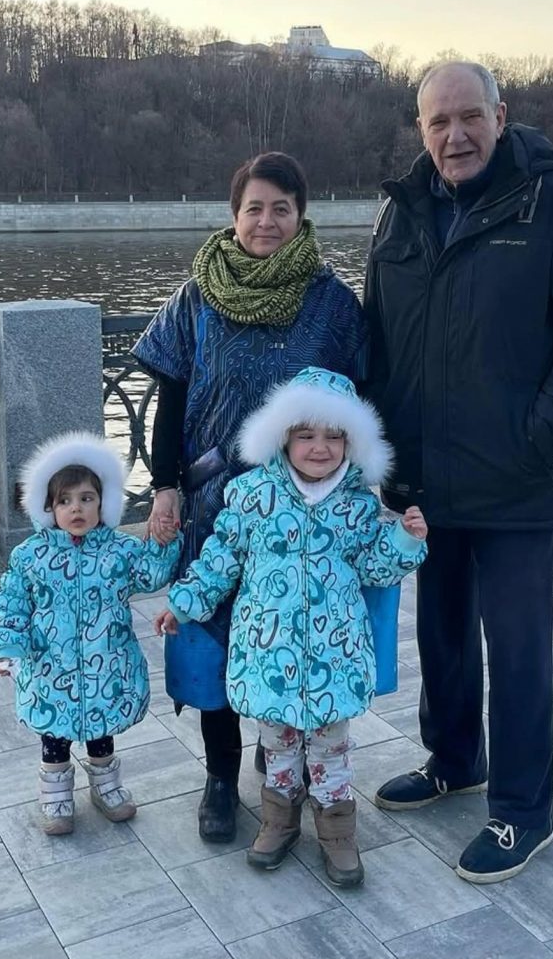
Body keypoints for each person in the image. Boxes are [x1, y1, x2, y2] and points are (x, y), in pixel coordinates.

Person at [364, 61, 553, 884]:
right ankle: (454, 761)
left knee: (516, 651)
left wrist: (540, 435)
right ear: (421, 129)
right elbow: (377, 336)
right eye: (438, 122)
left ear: (500, 114)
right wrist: (378, 450)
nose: (456, 136)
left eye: (470, 117)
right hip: (425, 477)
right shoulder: (402, 211)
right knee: (442, 634)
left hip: (516, 477)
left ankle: (523, 812)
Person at [133, 152, 368, 843]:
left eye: (281, 209)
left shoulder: (332, 303)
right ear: (234, 215)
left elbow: (360, 404)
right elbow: (169, 399)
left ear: (302, 216)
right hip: (213, 506)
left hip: (301, 509)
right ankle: (219, 775)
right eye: (254, 208)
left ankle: (282, 763)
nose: (267, 221)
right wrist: (166, 489)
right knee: (210, 638)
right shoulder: (196, 297)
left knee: (289, 633)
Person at [156, 367, 428, 885]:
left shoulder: (357, 506)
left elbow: (375, 567)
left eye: (333, 436)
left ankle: (337, 830)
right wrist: (184, 602)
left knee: (331, 748)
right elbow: (221, 560)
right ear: (282, 438)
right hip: (268, 653)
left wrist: (404, 541)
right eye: (306, 435)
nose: (319, 448)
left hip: (334, 655)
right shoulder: (252, 496)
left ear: (352, 443)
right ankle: (279, 819)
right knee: (278, 743)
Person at [0, 432, 180, 835]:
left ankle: (106, 786)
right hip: (50, 666)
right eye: (65, 501)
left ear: (103, 503)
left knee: (100, 729)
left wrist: (164, 541)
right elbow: (12, 602)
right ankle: (56, 796)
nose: (76, 508)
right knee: (54, 735)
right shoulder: (32, 556)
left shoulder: (119, 551)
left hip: (105, 663)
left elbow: (150, 575)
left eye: (86, 498)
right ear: (48, 507)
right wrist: (9, 647)